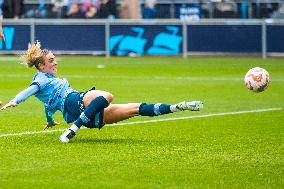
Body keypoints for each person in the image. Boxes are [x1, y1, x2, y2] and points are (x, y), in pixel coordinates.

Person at [0, 41, 203, 143]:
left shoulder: (48, 81)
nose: (55, 62)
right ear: (41, 66)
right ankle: (71, 131)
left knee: (135, 109)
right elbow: (29, 91)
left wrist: (51, 120)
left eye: (54, 59)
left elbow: (48, 105)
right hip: (74, 101)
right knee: (106, 96)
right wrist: (14, 101)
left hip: (77, 112)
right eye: (51, 60)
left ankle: (178, 107)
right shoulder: (41, 79)